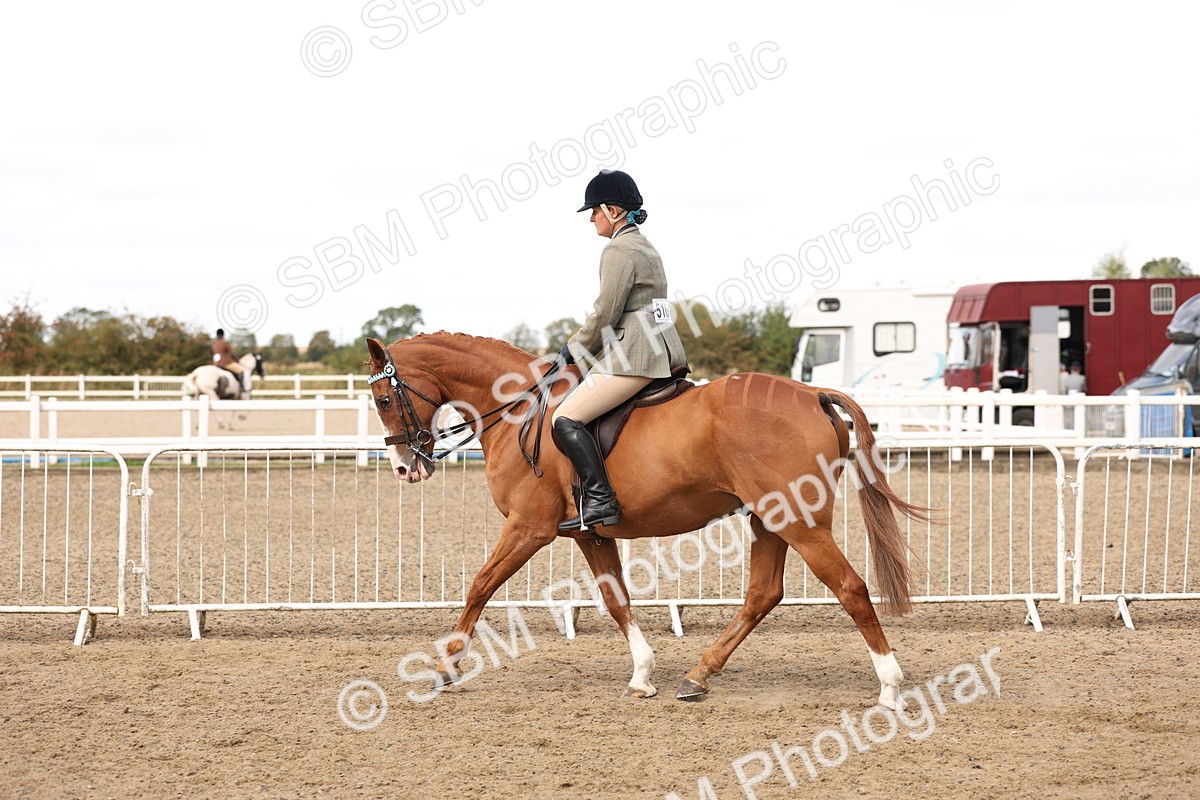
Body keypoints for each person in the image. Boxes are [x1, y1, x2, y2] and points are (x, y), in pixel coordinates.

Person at [551, 169, 688, 532]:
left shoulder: (618, 250)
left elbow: (606, 313)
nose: (591, 219)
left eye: (594, 211)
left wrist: (572, 349)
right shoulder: (645, 246)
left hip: (638, 357)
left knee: (565, 419)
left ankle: (600, 500)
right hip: (664, 347)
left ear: (613, 211)